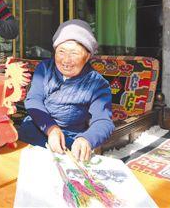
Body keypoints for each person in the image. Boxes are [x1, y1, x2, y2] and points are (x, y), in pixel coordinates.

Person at [18, 19, 115, 161]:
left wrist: (86, 139)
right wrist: (51, 129)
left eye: (74, 53)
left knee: (70, 160)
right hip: (39, 126)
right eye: (61, 51)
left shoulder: (97, 84)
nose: (66, 60)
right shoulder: (44, 69)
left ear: (87, 56)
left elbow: (103, 121)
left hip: (69, 137)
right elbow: (33, 100)